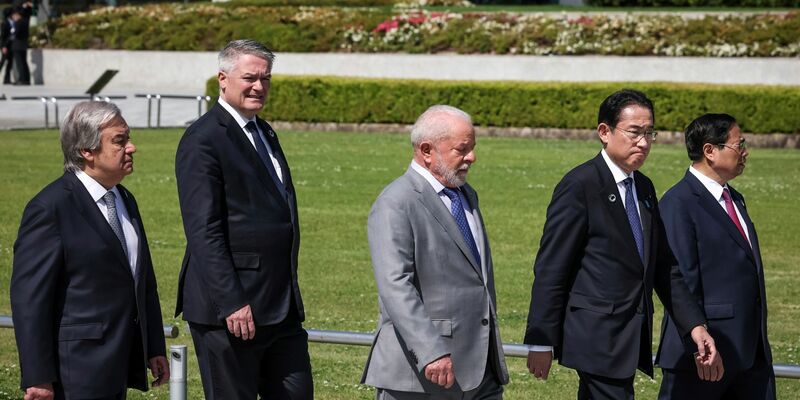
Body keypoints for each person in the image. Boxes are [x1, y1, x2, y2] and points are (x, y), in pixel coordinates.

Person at [523, 89, 724, 400]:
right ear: (604, 132)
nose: (643, 143)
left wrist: (695, 325)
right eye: (634, 132)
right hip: (596, 337)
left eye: (649, 133)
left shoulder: (643, 186)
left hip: (630, 337)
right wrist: (540, 340)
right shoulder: (580, 185)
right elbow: (552, 267)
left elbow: (663, 266)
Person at [174, 39, 312, 400]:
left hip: (280, 308)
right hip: (231, 311)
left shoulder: (264, 131)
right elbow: (204, 230)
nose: (260, 87)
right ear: (223, 78)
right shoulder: (203, 139)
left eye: (266, 78)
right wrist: (232, 300)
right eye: (250, 77)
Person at [10, 101, 169, 400]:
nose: (132, 148)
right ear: (87, 150)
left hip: (118, 363)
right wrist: (38, 377)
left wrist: (153, 347)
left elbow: (141, 281)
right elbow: (30, 300)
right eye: (119, 141)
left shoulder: (124, 198)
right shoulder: (50, 208)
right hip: (76, 371)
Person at [362, 105, 509, 400]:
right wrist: (431, 352)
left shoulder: (465, 194)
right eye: (462, 149)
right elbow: (395, 286)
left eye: (473, 147)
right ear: (427, 150)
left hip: (480, 370)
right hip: (422, 374)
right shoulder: (396, 202)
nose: (472, 157)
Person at [656, 114, 775, 399]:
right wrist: (699, 340)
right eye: (739, 145)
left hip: (749, 351)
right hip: (705, 356)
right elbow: (681, 280)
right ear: (710, 151)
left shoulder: (735, 198)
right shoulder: (678, 203)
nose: (745, 152)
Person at [9, 2, 31, 85]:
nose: (13, 17)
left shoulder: (18, 22)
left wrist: (12, 33)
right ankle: (26, 79)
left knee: (20, 63)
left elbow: (16, 33)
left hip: (17, 45)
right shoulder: (25, 21)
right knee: (24, 62)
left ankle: (22, 80)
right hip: (23, 45)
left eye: (14, 16)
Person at [1, 6, 13, 84]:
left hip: (11, 45)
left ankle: (7, 79)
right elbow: (2, 36)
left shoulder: (11, 21)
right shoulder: (5, 22)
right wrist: (3, 46)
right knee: (3, 62)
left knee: (10, 63)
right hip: (6, 46)